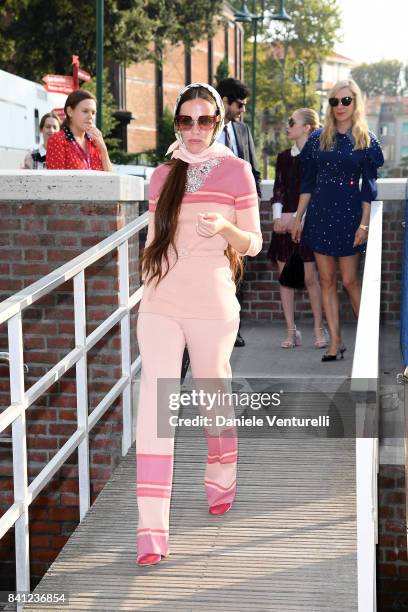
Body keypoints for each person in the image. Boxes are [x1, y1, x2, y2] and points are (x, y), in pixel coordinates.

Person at [136, 83, 262, 566]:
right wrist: (149, 288)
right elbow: (152, 241)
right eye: (185, 121)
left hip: (212, 303)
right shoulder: (161, 175)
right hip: (161, 303)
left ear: (218, 122)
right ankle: (151, 529)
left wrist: (226, 229)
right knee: (155, 406)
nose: (194, 130)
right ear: (176, 124)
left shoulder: (236, 171)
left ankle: (222, 474)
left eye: (204, 120)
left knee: (214, 394)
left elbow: (255, 243)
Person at [292, 79, 384, 361]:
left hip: (349, 215)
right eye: (335, 101)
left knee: (349, 281)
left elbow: (369, 187)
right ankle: (336, 342)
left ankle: (369, 342)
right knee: (327, 280)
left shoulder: (365, 140)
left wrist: (364, 223)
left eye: (346, 100)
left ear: (355, 103)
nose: (340, 106)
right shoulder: (319, 138)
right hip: (320, 214)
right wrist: (298, 217)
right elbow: (307, 182)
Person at [267, 108, 327, 349]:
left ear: (307, 128)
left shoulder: (319, 157)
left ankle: (318, 330)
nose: (287, 125)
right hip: (285, 224)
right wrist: (278, 218)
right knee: (286, 280)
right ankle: (291, 332)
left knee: (311, 278)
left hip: (309, 225)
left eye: (292, 122)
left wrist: (301, 219)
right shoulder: (283, 157)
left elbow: (320, 193)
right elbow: (278, 189)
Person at [216, 77, 262, 347]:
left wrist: (253, 205)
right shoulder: (204, 128)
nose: (242, 110)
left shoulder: (243, 132)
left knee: (237, 273)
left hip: (240, 217)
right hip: (211, 216)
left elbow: (254, 171)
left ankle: (234, 329)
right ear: (225, 102)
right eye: (240, 105)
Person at [46, 89, 112, 171]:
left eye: (93, 113)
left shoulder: (94, 141)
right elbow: (56, 180)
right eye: (85, 111)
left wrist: (103, 148)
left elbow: (111, 178)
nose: (90, 117)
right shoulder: (58, 140)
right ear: (70, 111)